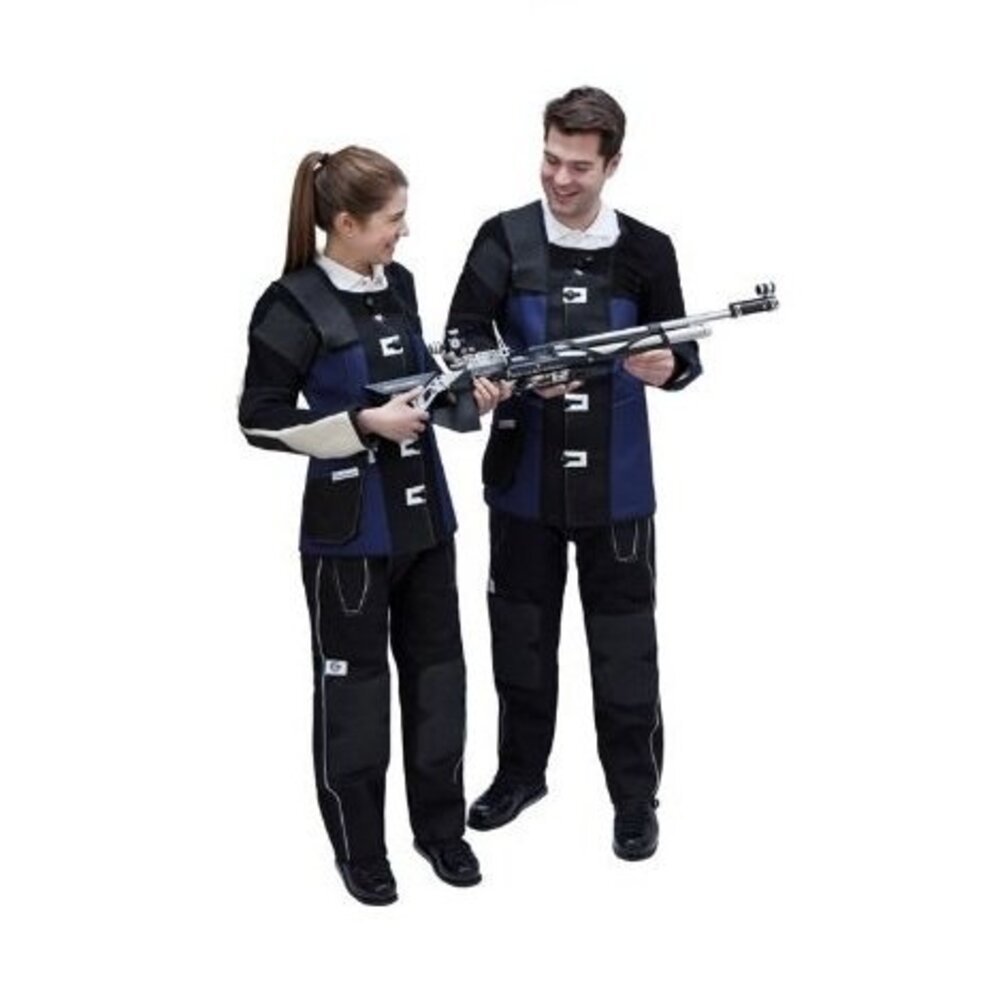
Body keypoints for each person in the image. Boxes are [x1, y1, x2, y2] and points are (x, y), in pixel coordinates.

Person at [239, 146, 503, 905]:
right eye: (393, 219)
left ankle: (440, 831)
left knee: (440, 681)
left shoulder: (402, 284)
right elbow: (258, 419)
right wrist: (361, 423)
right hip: (349, 536)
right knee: (355, 695)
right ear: (347, 223)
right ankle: (360, 850)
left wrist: (469, 400)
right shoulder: (290, 304)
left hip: (427, 524)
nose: (404, 232)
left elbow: (418, 389)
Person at [446, 87, 702, 861]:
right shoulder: (501, 237)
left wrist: (670, 366)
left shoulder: (648, 249)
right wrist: (499, 373)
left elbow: (685, 350)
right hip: (521, 481)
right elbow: (462, 334)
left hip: (618, 489)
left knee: (625, 651)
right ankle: (520, 775)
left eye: (580, 167)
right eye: (551, 159)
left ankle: (635, 799)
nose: (560, 178)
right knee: (520, 640)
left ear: (612, 165)